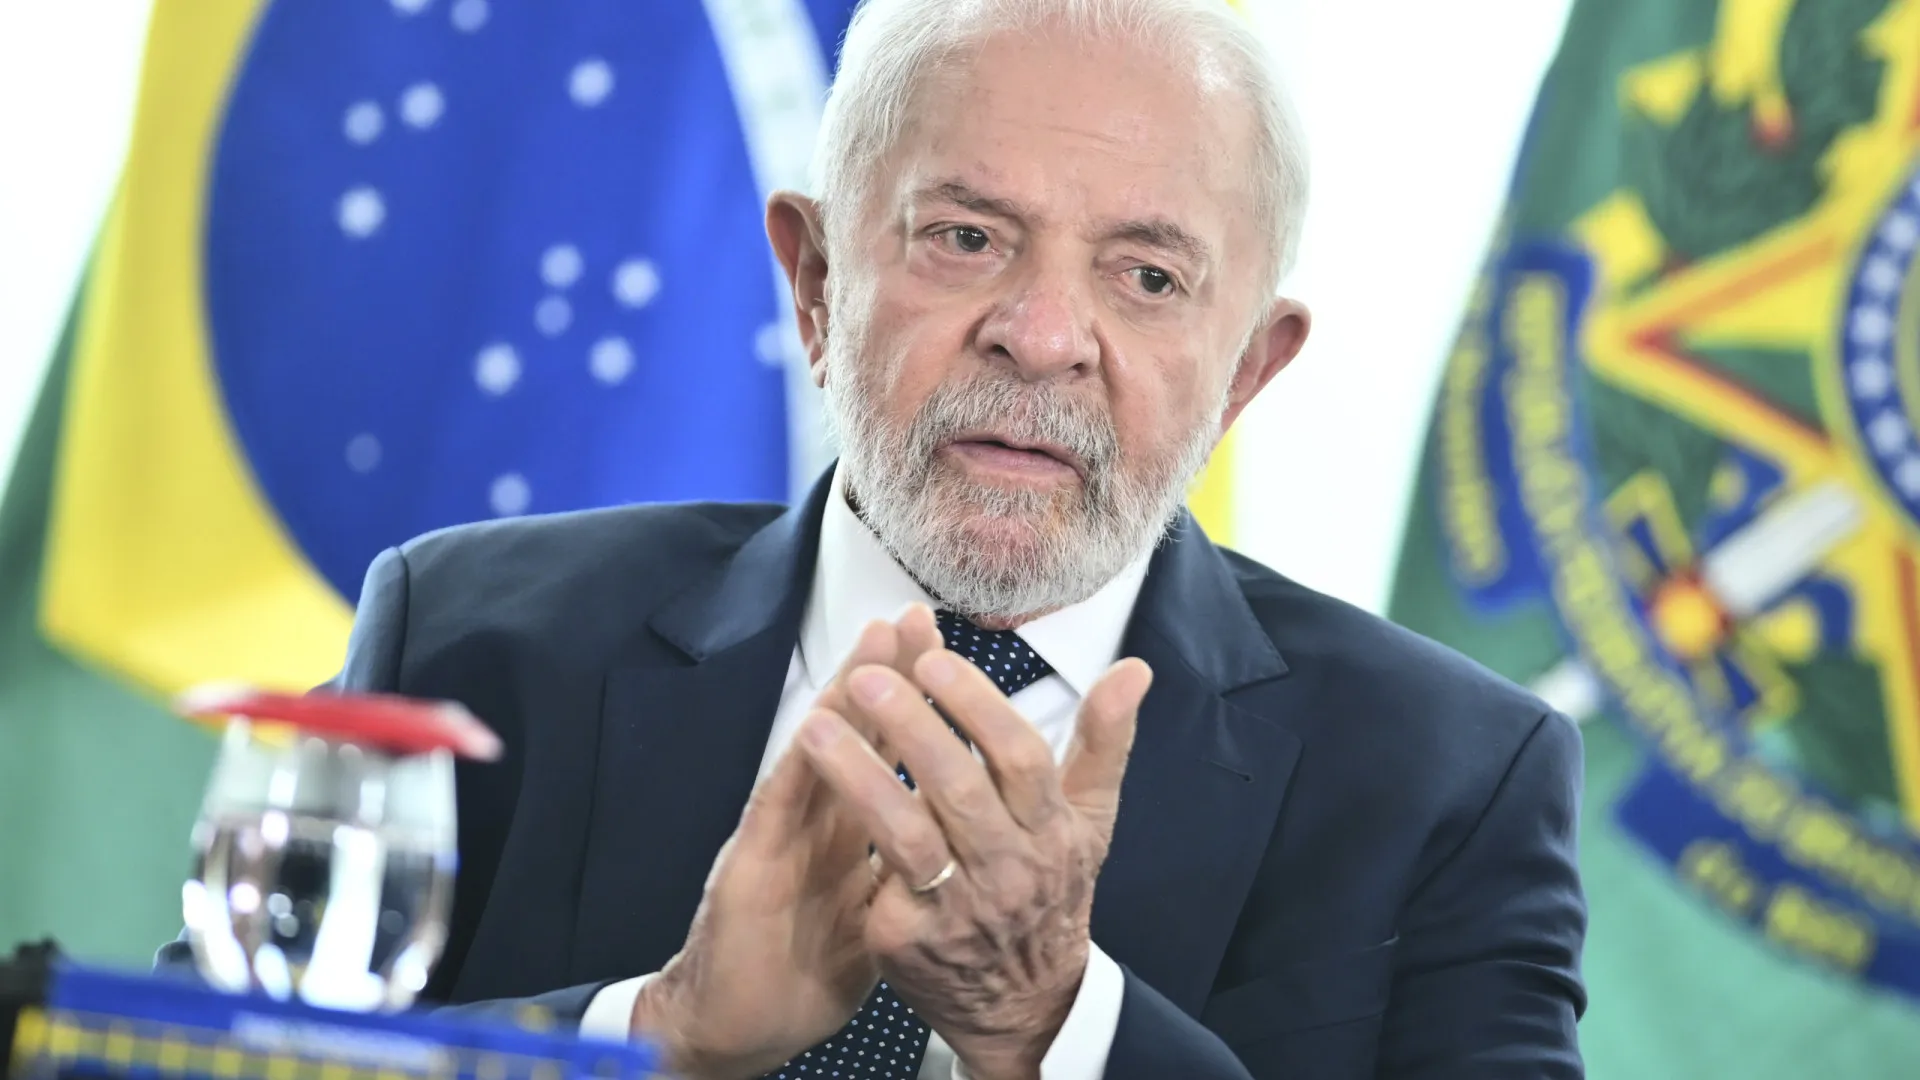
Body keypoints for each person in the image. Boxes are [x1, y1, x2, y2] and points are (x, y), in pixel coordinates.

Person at [158, 0, 1587, 1075]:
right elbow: (185, 1059)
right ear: (816, 282)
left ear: (1247, 375)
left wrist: (1059, 1026)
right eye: (966, 237)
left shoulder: (1452, 782)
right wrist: (655, 1038)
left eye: (1148, 277)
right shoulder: (475, 641)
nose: (1043, 336)